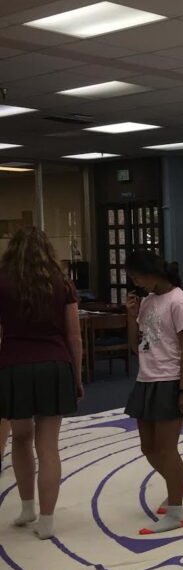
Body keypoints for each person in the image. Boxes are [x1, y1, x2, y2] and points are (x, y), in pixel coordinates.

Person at [0, 227, 82, 539]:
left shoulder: (2, 281)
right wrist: (76, 376)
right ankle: (47, 521)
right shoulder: (61, 282)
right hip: (54, 365)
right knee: (48, 446)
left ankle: (26, 508)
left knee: (21, 438)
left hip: (13, 367)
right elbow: (74, 336)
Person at [124, 250, 183, 535]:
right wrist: (131, 315)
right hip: (146, 378)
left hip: (170, 380)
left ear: (151, 273)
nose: (135, 283)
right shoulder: (147, 302)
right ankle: (175, 485)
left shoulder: (179, 301)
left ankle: (176, 511)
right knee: (148, 448)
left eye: (136, 277)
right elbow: (135, 346)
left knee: (168, 448)